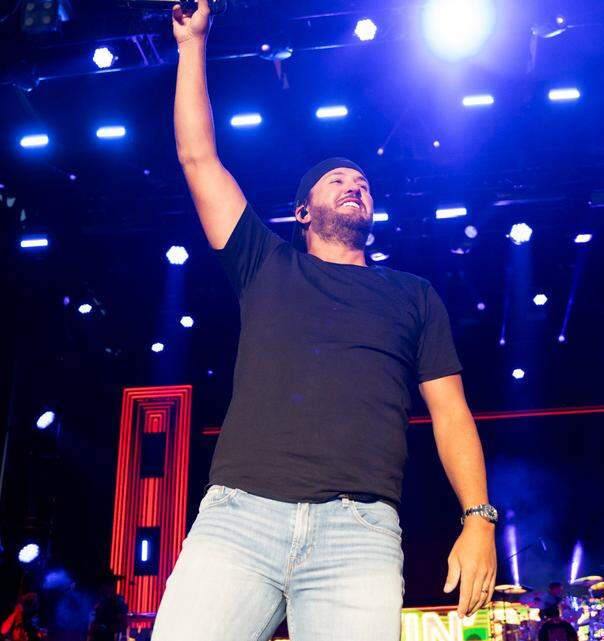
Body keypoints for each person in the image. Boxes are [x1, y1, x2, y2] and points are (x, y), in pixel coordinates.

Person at [151, 1, 497, 639]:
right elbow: (198, 159)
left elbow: (451, 411)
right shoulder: (264, 261)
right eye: (336, 179)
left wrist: (478, 519)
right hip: (239, 518)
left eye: (362, 181)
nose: (354, 184)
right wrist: (192, 43)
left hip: (358, 534)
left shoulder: (413, 295)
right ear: (303, 212)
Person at [87, 572, 128, 641]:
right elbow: (92, 619)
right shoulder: (97, 599)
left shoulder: (117, 600)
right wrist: (90, 634)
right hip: (98, 634)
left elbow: (123, 618)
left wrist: (124, 635)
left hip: (110, 633)